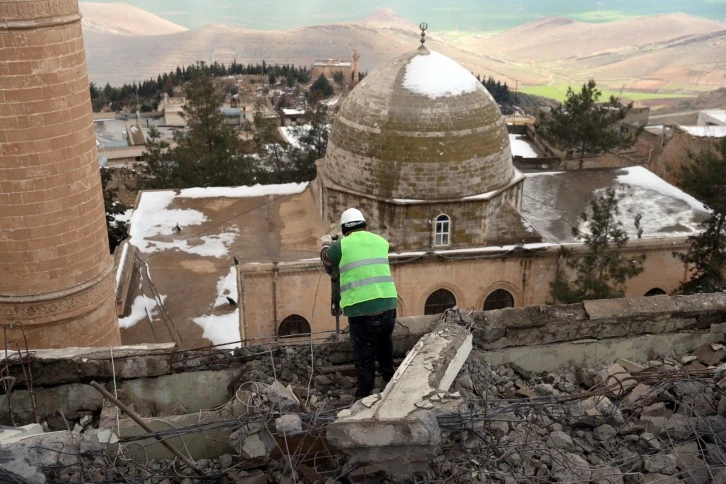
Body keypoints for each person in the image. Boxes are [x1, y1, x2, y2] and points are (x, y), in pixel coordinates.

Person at [320, 208, 398, 399]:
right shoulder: (381, 241)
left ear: (345, 228)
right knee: (385, 348)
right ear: (364, 225)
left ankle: (364, 395)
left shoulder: (343, 245)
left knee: (365, 357)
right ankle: (392, 383)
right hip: (388, 306)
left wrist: (325, 243)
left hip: (361, 310)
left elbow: (327, 259)